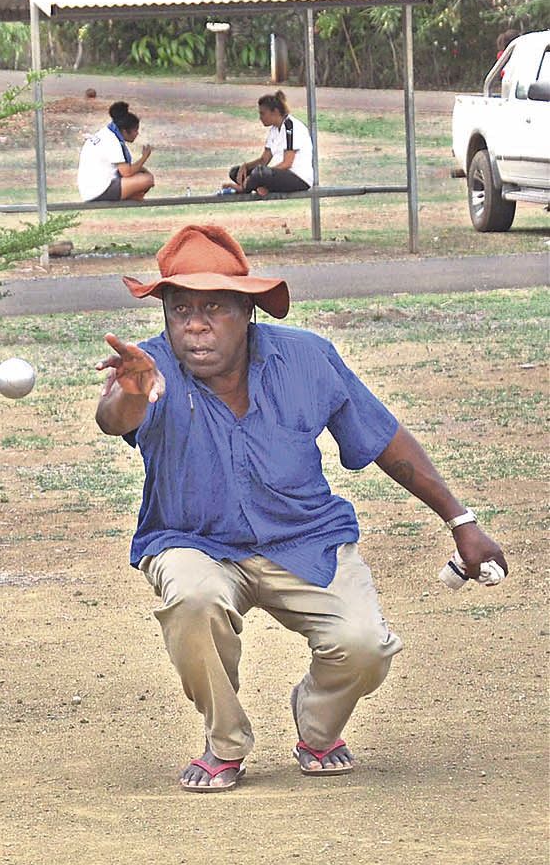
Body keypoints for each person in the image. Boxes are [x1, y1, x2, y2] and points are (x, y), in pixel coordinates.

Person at [93, 224, 508, 792]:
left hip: (304, 540)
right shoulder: (150, 369)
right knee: (192, 599)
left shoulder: (307, 360)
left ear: (249, 313)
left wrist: (461, 521)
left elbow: (384, 438)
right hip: (193, 541)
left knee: (364, 646)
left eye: (214, 307)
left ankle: (316, 727)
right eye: (180, 307)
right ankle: (225, 743)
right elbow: (115, 417)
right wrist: (132, 390)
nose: (194, 323)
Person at [227, 90, 313, 195]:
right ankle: (260, 186)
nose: (260, 118)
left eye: (263, 113)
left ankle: (244, 188)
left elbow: (287, 163)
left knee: (260, 173)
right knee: (235, 172)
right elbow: (264, 160)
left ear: (275, 112)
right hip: (281, 175)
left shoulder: (290, 127)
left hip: (299, 178)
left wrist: (258, 175)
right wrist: (246, 166)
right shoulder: (273, 130)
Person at [77, 100, 153, 201]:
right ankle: (130, 195)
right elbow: (127, 172)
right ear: (125, 131)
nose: (137, 134)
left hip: (92, 189)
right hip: (98, 191)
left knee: (142, 173)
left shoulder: (107, 133)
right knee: (147, 180)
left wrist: (142, 169)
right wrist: (144, 157)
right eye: (135, 130)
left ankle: (130, 195)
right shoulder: (113, 142)